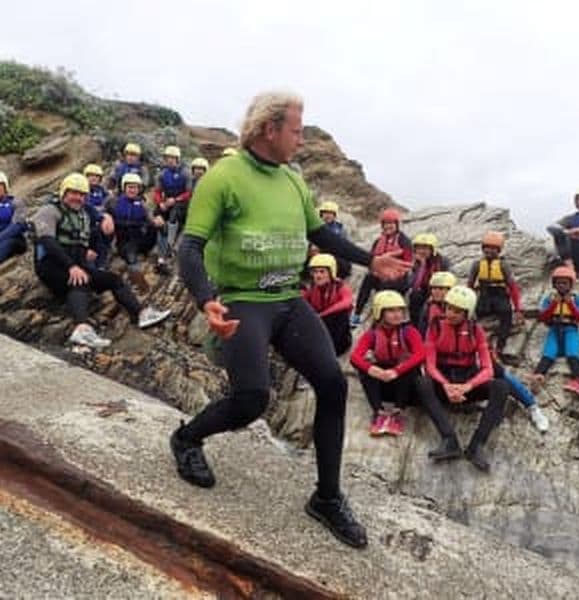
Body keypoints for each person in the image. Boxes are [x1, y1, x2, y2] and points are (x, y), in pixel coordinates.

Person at [171, 91, 411, 549]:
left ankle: (326, 497)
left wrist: (371, 262)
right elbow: (189, 246)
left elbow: (318, 232)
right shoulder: (224, 178)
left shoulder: (292, 180)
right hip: (244, 299)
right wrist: (207, 300)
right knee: (251, 400)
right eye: (297, 130)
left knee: (334, 384)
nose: (301, 139)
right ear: (270, 129)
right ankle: (186, 438)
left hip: (288, 298)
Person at [33, 173, 171, 348]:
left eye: (82, 194)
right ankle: (81, 329)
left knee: (114, 279)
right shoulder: (50, 211)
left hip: (78, 264)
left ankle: (140, 314)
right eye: (73, 193)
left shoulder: (84, 212)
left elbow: (97, 216)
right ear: (63, 193)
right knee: (80, 282)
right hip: (51, 265)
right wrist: (71, 266)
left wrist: (106, 217)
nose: (78, 198)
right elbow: (47, 241)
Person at [420, 272, 549, 433]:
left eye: (443, 289)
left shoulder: (464, 310)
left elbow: (475, 339)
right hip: (441, 361)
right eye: (435, 288)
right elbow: (423, 336)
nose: (438, 292)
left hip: (465, 360)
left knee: (501, 373)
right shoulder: (428, 310)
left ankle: (531, 405)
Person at [417, 285, 509, 472]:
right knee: (421, 382)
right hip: (443, 383)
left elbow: (487, 369)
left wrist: (467, 387)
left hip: (466, 384)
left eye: (457, 311)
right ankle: (449, 439)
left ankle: (476, 445)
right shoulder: (435, 325)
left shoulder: (476, 331)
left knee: (501, 386)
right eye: (449, 308)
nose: (451, 313)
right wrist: (446, 386)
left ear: (467, 313)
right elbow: (430, 365)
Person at [350, 291, 426, 436]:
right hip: (384, 384)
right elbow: (355, 357)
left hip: (404, 387)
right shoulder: (372, 334)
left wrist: (397, 370)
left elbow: (421, 354)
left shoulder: (409, 332)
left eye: (399, 310)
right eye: (391, 311)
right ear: (380, 313)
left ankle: (398, 412)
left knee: (410, 368)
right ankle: (379, 412)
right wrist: (373, 370)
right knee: (365, 368)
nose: (397, 314)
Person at [351, 208, 413, 328]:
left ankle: (380, 316)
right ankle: (357, 314)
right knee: (368, 279)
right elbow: (372, 260)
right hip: (382, 275)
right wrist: (376, 272)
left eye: (391, 223)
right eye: (385, 223)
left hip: (399, 278)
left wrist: (393, 271)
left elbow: (409, 263)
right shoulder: (378, 241)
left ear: (397, 225)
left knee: (386, 286)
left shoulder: (404, 241)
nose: (388, 226)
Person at [532, 266, 579, 396]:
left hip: (570, 329)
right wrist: (553, 305)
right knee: (548, 353)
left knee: (572, 353)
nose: (561, 285)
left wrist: (570, 305)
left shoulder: (577, 299)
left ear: (571, 284)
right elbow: (543, 317)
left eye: (564, 283)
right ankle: (538, 375)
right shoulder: (550, 298)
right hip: (554, 329)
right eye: (558, 283)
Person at [468, 231, 523, 356]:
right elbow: (470, 284)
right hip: (484, 296)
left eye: (493, 248)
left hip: (500, 295)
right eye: (487, 247)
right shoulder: (477, 264)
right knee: (474, 318)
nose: (489, 250)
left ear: (499, 250)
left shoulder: (504, 265)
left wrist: (518, 308)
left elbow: (512, 287)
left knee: (506, 316)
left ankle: (500, 345)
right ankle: (475, 344)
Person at [106, 172, 159, 292]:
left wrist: (156, 222)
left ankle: (155, 256)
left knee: (155, 227)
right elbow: (103, 213)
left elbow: (150, 219)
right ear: (124, 188)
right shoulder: (114, 202)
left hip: (140, 238)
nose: (132, 190)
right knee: (131, 256)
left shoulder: (142, 204)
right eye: (130, 187)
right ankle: (139, 282)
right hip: (125, 240)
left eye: (135, 187)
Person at [302, 253, 353, 356]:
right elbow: (302, 302)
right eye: (315, 272)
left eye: (322, 272)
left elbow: (347, 302)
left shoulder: (340, 287)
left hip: (338, 335)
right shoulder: (312, 288)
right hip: (319, 324)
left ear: (331, 273)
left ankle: (332, 350)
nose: (318, 276)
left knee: (341, 313)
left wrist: (322, 315)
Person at [153, 146, 189, 274]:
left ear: (177, 159)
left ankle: (169, 248)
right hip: (167, 202)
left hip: (181, 204)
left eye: (172, 158)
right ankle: (161, 257)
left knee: (174, 217)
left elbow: (189, 192)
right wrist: (160, 203)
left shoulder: (185, 173)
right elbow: (157, 192)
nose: (169, 160)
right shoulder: (162, 174)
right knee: (158, 220)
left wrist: (176, 199)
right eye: (167, 158)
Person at [409, 233, 450, 328]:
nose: (421, 251)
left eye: (425, 248)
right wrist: (422, 266)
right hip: (422, 290)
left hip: (439, 290)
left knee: (427, 307)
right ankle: (415, 327)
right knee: (414, 296)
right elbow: (413, 284)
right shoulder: (414, 263)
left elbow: (448, 280)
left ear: (432, 249)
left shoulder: (443, 261)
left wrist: (435, 294)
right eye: (419, 248)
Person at [83, 163, 113, 269]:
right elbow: (86, 206)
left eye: (96, 176)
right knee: (97, 238)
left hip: (100, 218)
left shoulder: (100, 189)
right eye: (90, 175)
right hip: (87, 220)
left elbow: (109, 197)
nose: (93, 178)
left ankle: (103, 259)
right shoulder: (83, 190)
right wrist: (100, 210)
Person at [312, 201, 351, 279]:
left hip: (334, 253)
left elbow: (344, 244)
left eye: (331, 213)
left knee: (345, 265)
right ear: (321, 214)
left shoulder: (340, 228)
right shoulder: (315, 226)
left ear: (334, 215)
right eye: (325, 213)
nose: (328, 216)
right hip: (318, 253)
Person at [417, 271, 456, 336]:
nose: (436, 292)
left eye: (441, 289)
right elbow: (422, 331)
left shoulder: (459, 307)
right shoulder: (428, 307)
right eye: (434, 288)